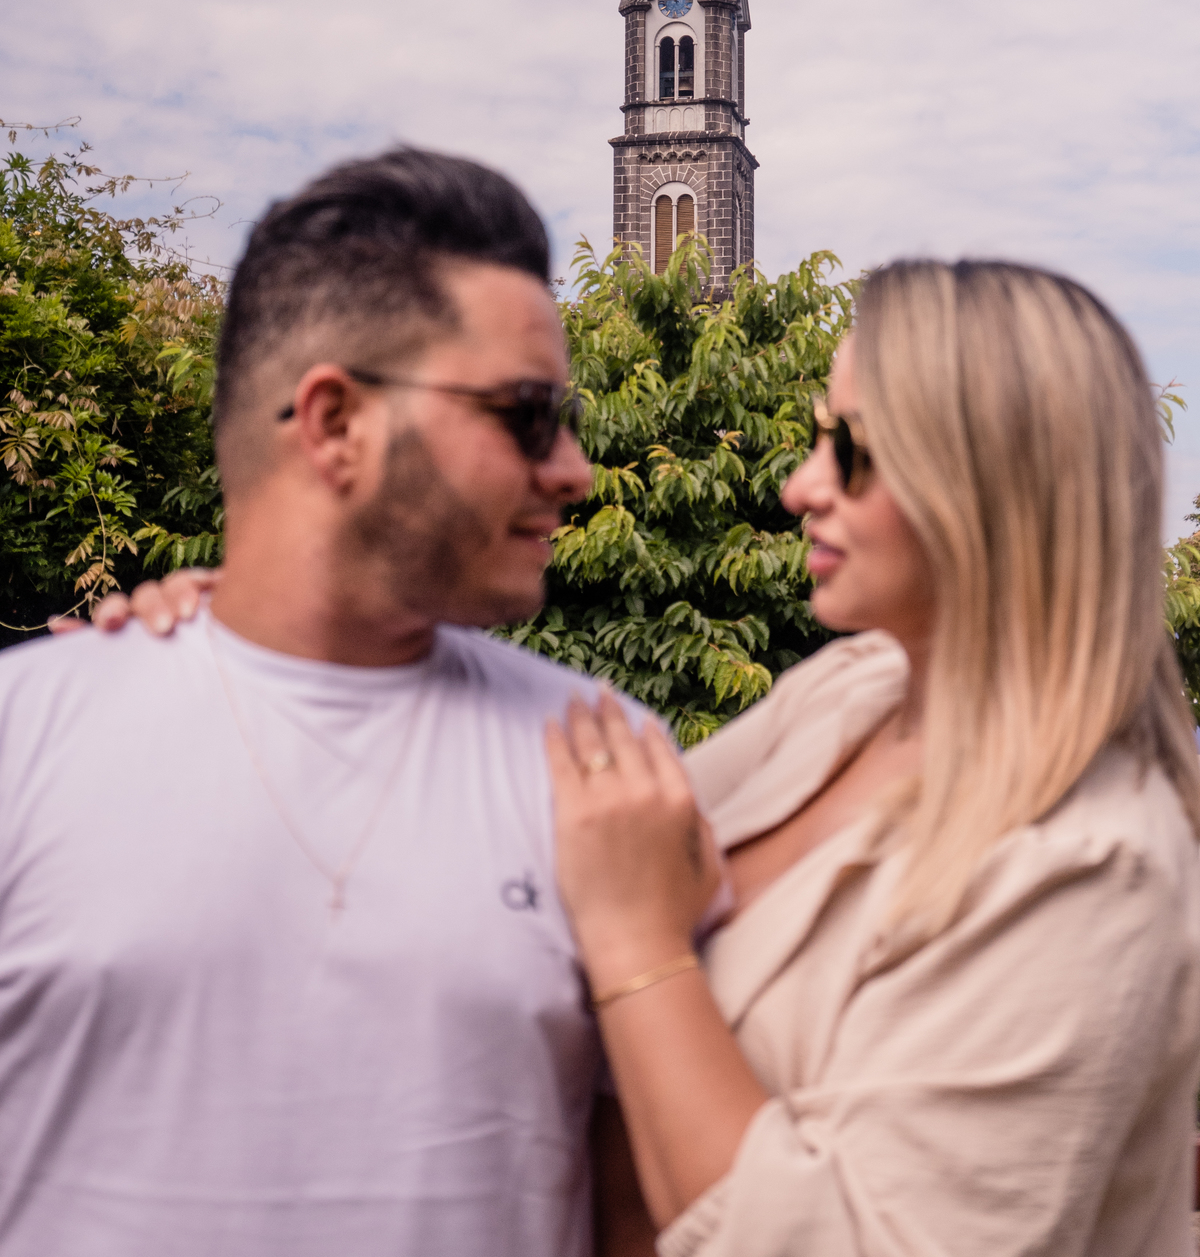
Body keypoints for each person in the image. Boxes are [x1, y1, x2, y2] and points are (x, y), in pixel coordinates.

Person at [0, 145, 653, 1257]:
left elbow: (643, 1211)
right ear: (337, 422)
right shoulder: (29, 735)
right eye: (527, 414)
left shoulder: (610, 767)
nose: (575, 471)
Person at [546, 260, 1200, 1255]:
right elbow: (588, 826)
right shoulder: (856, 692)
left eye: (851, 450)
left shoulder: (1087, 864)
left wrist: (637, 944)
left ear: (988, 483)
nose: (800, 486)